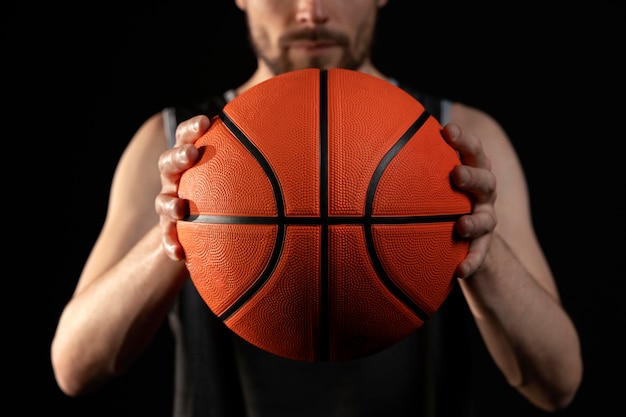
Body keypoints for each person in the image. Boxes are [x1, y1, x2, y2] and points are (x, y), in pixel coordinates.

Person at [51, 1, 583, 416]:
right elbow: (75, 367)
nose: (311, 10)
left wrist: (482, 249)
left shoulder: (460, 142)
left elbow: (558, 383)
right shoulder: (169, 146)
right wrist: (179, 228)